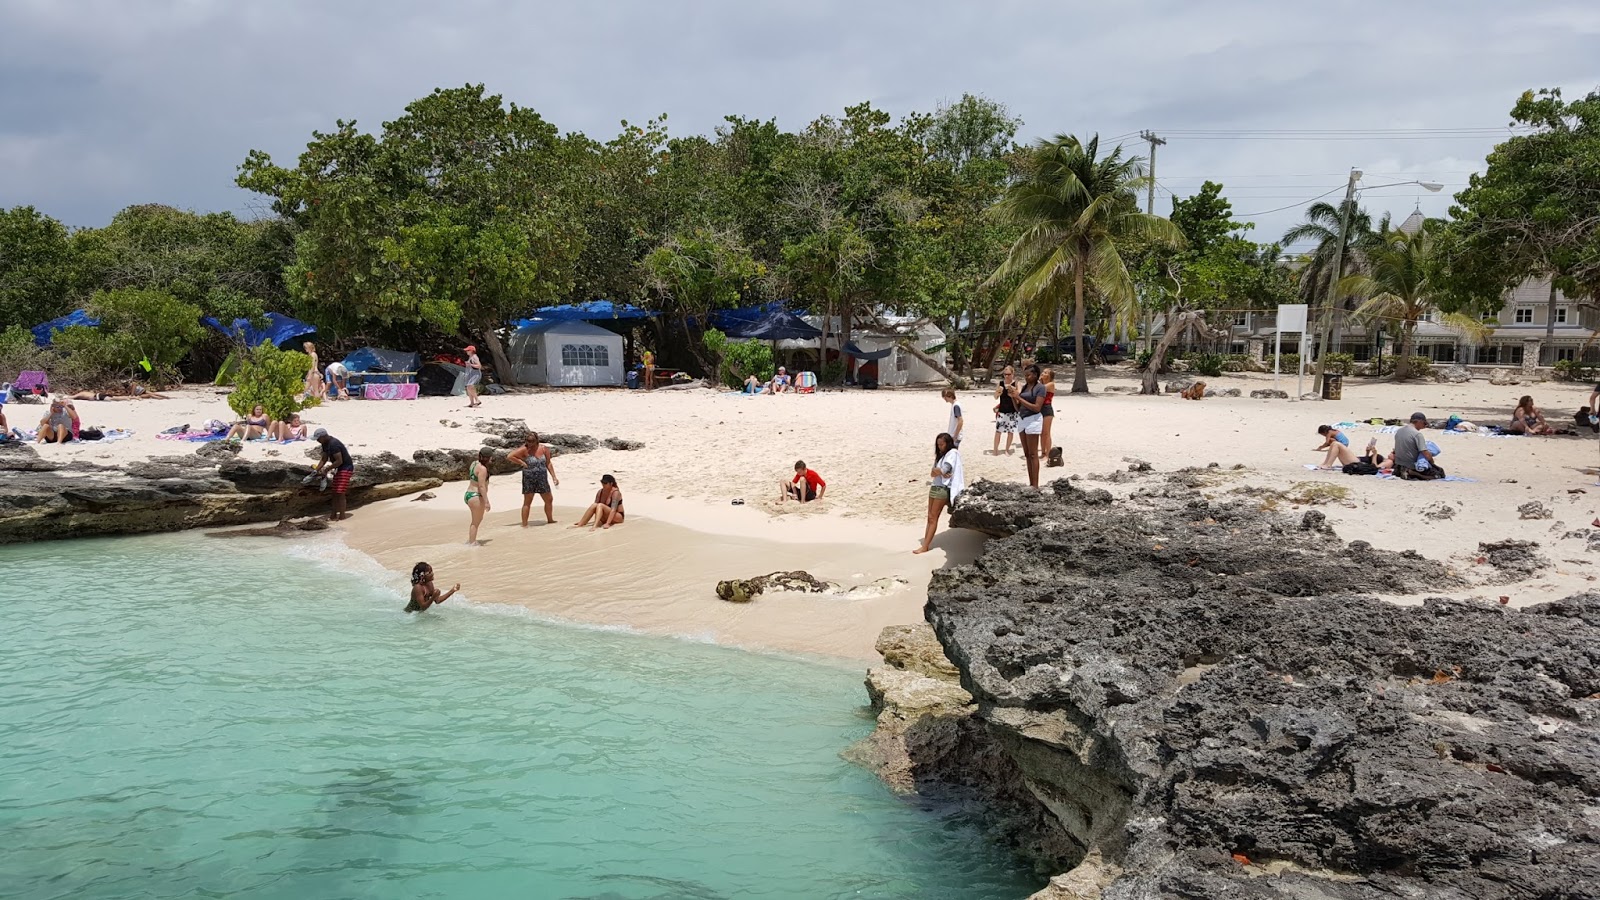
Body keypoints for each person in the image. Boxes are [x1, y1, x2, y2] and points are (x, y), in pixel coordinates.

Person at [914, 432, 963, 554]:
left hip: (942, 489)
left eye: (942, 444)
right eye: (938, 445)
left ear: (947, 443)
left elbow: (944, 469)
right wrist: (939, 472)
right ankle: (926, 543)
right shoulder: (941, 456)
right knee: (930, 517)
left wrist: (939, 471)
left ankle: (925, 546)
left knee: (933, 517)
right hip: (935, 486)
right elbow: (933, 473)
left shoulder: (952, 453)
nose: (940, 447)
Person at [507, 432, 559, 526]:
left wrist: (554, 477)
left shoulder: (544, 449)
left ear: (536, 440)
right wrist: (521, 462)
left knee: (549, 499)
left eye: (532, 441)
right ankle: (524, 524)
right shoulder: (524, 449)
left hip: (542, 478)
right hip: (529, 478)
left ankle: (550, 519)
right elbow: (510, 456)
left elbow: (548, 463)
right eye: (528, 441)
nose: (529, 443)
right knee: (527, 501)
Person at [1012, 364, 1048, 489]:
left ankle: (1036, 485)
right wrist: (1013, 397)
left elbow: (1037, 408)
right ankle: (1031, 483)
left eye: (1029, 375)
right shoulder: (1026, 387)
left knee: (1033, 454)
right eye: (1025, 375)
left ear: (1035, 375)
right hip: (1022, 419)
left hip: (1033, 419)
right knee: (1027, 454)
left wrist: (1019, 398)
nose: (1026, 377)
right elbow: (1018, 408)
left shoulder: (1041, 388)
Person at [311, 428, 355, 519]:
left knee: (340, 492)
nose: (317, 441)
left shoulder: (334, 444)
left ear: (323, 436)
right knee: (334, 493)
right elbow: (324, 458)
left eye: (318, 439)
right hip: (338, 468)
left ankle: (342, 516)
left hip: (345, 468)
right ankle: (333, 515)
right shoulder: (325, 444)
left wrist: (327, 469)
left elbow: (339, 461)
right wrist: (316, 470)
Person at [1386, 412, 1444, 480]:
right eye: (1424, 424)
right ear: (1419, 421)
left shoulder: (1399, 431)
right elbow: (1424, 452)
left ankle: (1405, 472)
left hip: (1399, 465)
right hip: (1411, 465)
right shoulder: (1417, 434)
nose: (1424, 427)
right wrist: (1432, 463)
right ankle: (1416, 474)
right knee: (1440, 473)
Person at [464, 447, 492, 544]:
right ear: (489, 458)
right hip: (476, 496)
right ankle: (472, 544)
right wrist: (487, 502)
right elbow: (481, 486)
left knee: (476, 520)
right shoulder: (483, 469)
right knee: (475, 522)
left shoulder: (474, 463)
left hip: (468, 494)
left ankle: (471, 541)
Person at [991, 366, 1018, 455]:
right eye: (1005, 374)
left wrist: (1012, 391)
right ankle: (995, 449)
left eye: (1008, 374)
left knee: (1010, 432)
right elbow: (995, 397)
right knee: (998, 431)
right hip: (1002, 410)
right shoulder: (1001, 383)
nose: (1006, 376)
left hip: (1012, 411)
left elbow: (1019, 396)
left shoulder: (1016, 383)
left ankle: (1007, 449)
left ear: (1012, 374)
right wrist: (998, 392)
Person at [1038, 367, 1057, 464]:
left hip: (1047, 409)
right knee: (1041, 433)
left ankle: (1048, 453)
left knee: (1046, 432)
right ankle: (1043, 452)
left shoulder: (1051, 384)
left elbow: (1040, 389)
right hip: (1039, 409)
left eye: (1045, 372)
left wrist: (1038, 381)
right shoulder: (1041, 384)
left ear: (1049, 376)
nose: (1043, 373)